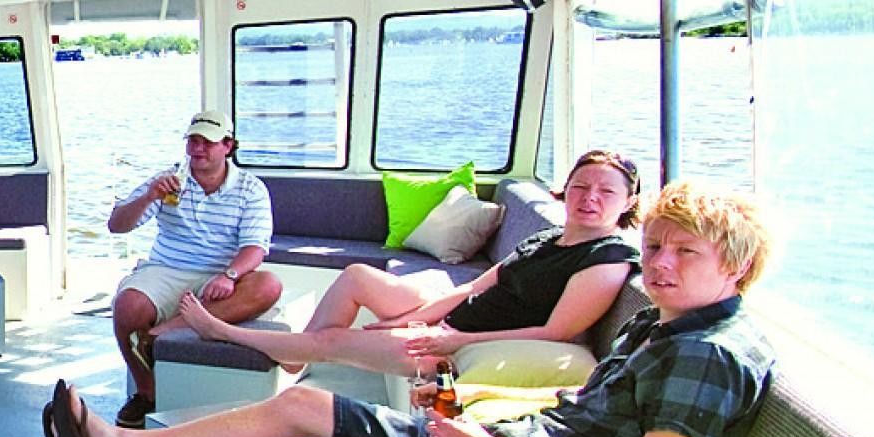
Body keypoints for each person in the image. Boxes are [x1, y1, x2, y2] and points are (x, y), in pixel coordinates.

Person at [44, 183, 776, 437]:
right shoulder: (663, 324)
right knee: (302, 403)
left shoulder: (705, 356)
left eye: (686, 253)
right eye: (656, 247)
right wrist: (479, 414)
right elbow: (587, 414)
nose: (661, 264)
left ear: (737, 269)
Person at [174, 150, 644, 378]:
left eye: (606, 192)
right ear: (565, 190)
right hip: (457, 319)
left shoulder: (607, 259)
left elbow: (556, 333)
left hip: (465, 344)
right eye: (581, 187)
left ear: (627, 203)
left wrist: (453, 339)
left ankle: (223, 331)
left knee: (334, 340)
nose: (590, 198)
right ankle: (298, 354)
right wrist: (405, 320)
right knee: (357, 275)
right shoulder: (546, 239)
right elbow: (470, 289)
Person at [103, 109, 284, 427]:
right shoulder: (167, 181)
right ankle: (147, 393)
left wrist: (229, 275)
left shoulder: (250, 188)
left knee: (269, 285)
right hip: (166, 269)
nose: (198, 149)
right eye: (193, 141)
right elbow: (116, 226)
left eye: (207, 142)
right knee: (127, 305)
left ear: (228, 146)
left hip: (221, 273)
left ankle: (156, 335)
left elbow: (255, 248)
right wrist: (149, 197)